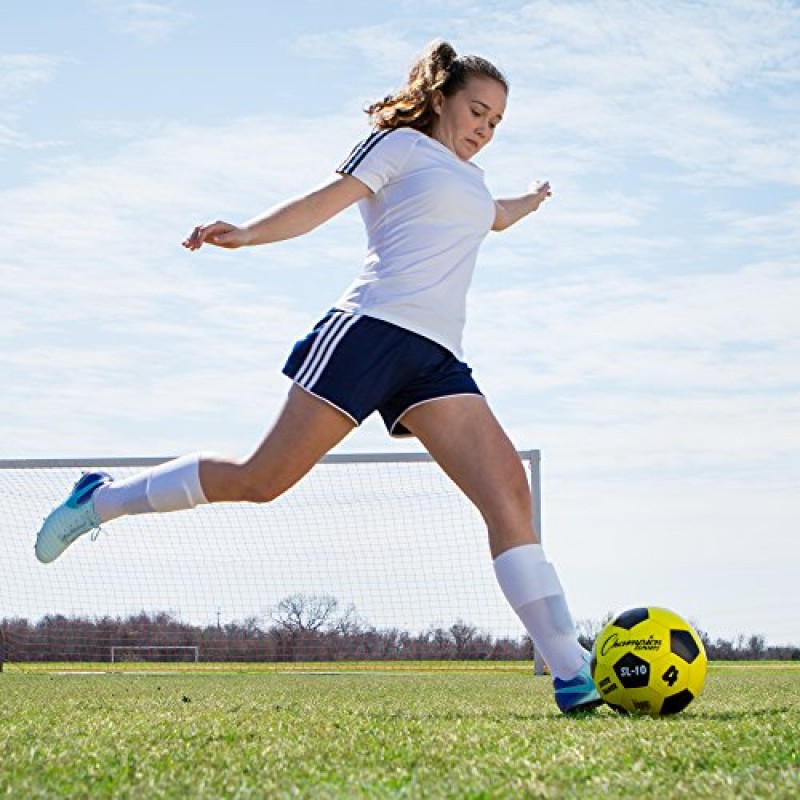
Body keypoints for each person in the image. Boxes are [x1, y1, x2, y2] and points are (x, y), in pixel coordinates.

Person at [35, 40, 601, 713]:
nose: (484, 129)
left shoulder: (474, 186)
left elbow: (495, 217)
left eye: (497, 123)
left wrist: (532, 200)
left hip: (434, 359)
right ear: (441, 99)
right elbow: (322, 203)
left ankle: (571, 671)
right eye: (477, 111)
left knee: (508, 490)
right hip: (368, 333)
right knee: (261, 479)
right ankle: (100, 499)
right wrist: (246, 233)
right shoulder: (399, 147)